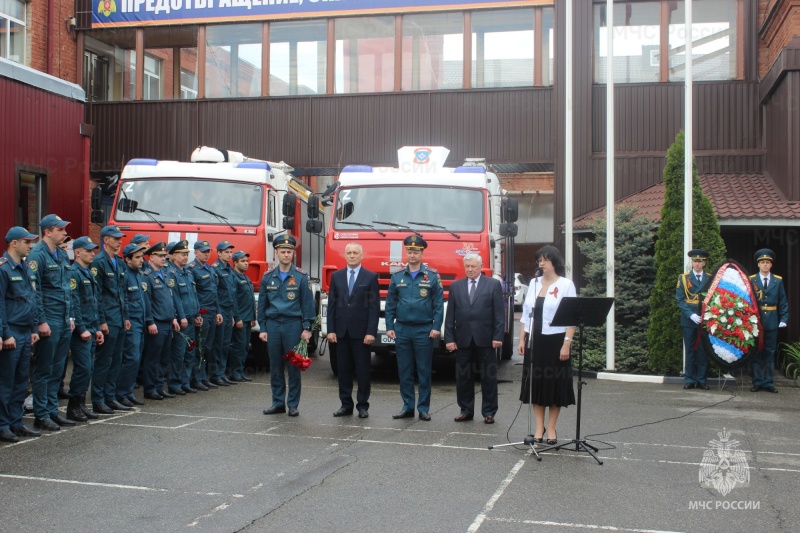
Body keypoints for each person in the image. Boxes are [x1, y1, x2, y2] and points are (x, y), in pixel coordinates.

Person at [516, 245, 576, 445]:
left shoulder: (566, 285)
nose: (541, 264)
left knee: (554, 385)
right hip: (535, 341)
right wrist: (522, 338)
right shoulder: (533, 283)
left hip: (555, 340)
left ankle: (551, 428)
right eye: (539, 260)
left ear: (554, 262)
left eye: (545, 260)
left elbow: (571, 317)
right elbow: (526, 314)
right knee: (536, 385)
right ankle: (538, 428)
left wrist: (566, 343)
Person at [385, 235, 444, 421]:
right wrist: (389, 326)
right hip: (402, 329)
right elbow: (390, 304)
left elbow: (438, 305)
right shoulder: (397, 277)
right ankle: (407, 406)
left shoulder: (432, 276)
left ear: (422, 253)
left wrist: (436, 327)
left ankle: (423, 408)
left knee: (424, 370)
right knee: (404, 370)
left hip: (423, 330)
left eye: (415, 251)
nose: (412, 255)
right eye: (409, 251)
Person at [258, 234, 316, 417]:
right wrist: (263, 328)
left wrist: (307, 328)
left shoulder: (300, 276)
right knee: (275, 367)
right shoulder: (268, 277)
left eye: (289, 251)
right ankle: (277, 403)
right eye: (283, 251)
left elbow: (308, 304)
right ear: (276, 253)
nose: (286, 255)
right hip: (274, 325)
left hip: (293, 326)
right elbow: (262, 305)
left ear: (293, 253)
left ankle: (292, 404)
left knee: (294, 367)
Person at [444, 253, 504, 424]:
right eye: (467, 266)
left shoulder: (493, 285)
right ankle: (466, 410)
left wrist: (498, 336)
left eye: (473, 266)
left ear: (480, 266)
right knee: (463, 377)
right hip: (463, 338)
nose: (470, 269)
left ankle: (489, 412)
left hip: (486, 338)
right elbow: (450, 315)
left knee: (488, 377)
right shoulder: (456, 286)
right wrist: (449, 338)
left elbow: (499, 314)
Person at [28, 214, 75, 431]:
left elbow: (67, 288)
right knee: (44, 368)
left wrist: (71, 316)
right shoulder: (38, 255)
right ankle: (42, 414)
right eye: (60, 229)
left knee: (58, 368)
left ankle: (52, 410)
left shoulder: (62, 255)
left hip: (64, 317)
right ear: (48, 231)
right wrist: (41, 321)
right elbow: (34, 292)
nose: (65, 233)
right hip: (50, 319)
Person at [326, 242, 380, 419]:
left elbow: (374, 307)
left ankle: (363, 406)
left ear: (361, 255)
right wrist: (331, 329)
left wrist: (371, 331)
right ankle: (345, 404)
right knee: (343, 370)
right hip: (341, 332)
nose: (352, 256)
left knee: (363, 370)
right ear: (345, 255)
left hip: (362, 333)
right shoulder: (337, 276)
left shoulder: (370, 277)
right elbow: (332, 305)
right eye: (349, 253)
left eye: (355, 253)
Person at [0, 227, 41, 442]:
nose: (30, 245)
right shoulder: (3, 269)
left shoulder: (25, 268)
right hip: (12, 332)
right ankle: (3, 424)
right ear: (14, 243)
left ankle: (16, 422)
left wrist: (34, 328)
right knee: (6, 382)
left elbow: (30, 300)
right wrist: (5, 333)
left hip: (25, 332)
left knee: (21, 382)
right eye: (27, 241)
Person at [91, 225, 131, 414]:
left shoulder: (119, 262)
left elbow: (123, 291)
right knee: (104, 361)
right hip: (108, 318)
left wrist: (126, 317)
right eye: (116, 238)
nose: (120, 241)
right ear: (106, 240)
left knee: (116, 360)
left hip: (119, 317)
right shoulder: (99, 262)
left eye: (120, 238)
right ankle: (98, 399)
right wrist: (101, 320)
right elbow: (96, 294)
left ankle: (110, 396)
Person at [66, 237, 104, 422]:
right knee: (82, 368)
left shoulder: (88, 273)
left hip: (91, 326)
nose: (93, 253)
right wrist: (81, 329)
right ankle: (73, 407)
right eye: (89, 250)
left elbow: (93, 304)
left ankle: (81, 404)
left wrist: (96, 327)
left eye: (93, 250)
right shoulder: (74, 273)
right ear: (78, 252)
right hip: (82, 330)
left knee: (88, 369)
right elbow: (74, 304)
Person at [141, 242, 183, 400]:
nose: (163, 258)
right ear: (151, 257)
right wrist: (150, 321)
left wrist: (173, 318)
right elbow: (147, 302)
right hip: (156, 323)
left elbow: (169, 299)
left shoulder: (165, 275)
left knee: (164, 357)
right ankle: (150, 388)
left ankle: (159, 386)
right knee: (153, 357)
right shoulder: (147, 276)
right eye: (160, 256)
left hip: (167, 322)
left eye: (165, 256)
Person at [750, 248, 789, 393]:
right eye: (762, 262)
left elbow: (783, 301)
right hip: (756, 321)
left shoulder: (777, 280)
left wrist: (784, 318)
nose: (765, 265)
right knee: (756, 352)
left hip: (772, 320)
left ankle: (768, 382)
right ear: (758, 265)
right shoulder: (751, 279)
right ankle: (757, 381)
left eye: (767, 262)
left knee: (769, 352)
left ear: (771, 265)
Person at [167, 240, 203, 395]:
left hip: (191, 319)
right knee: (179, 353)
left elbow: (193, 297)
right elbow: (175, 298)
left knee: (190, 353)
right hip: (183, 321)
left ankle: (185, 381)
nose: (185, 257)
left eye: (186, 254)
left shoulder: (188, 273)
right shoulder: (171, 275)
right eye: (182, 254)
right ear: (174, 256)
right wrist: (182, 317)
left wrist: (197, 314)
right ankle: (174, 384)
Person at [115, 243, 148, 407]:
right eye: (137, 257)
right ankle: (121, 393)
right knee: (131, 358)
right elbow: (124, 299)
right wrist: (127, 318)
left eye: (142, 257)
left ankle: (127, 392)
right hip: (131, 322)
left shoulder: (138, 274)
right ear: (127, 259)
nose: (141, 260)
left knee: (137, 358)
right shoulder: (125, 275)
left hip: (140, 320)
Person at [188, 240, 223, 391]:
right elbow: (193, 294)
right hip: (202, 312)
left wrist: (219, 311)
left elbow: (215, 293)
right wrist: (197, 314)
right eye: (203, 251)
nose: (207, 254)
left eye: (208, 251)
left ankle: (203, 376)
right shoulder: (192, 269)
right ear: (195, 252)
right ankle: (196, 378)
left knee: (208, 346)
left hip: (212, 311)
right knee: (200, 347)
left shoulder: (210, 269)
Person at [676, 249, 710, 390]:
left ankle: (702, 380)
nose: (697, 264)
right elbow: (680, 299)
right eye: (695, 261)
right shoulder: (684, 278)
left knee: (703, 350)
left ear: (704, 262)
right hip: (689, 319)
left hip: (705, 318)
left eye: (700, 261)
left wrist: (707, 315)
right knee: (690, 350)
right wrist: (691, 314)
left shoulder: (710, 278)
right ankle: (689, 379)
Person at [210, 240, 237, 386]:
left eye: (230, 252)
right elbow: (215, 294)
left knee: (226, 344)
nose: (229, 254)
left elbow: (231, 293)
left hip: (229, 311)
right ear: (219, 253)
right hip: (220, 311)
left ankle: (221, 373)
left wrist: (232, 314)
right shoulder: (215, 269)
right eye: (226, 252)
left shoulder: (229, 269)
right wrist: (218, 312)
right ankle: (215, 374)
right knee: (218, 344)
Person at [230, 250, 255, 382]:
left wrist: (253, 317)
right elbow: (233, 300)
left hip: (247, 318)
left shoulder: (245, 277)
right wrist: (237, 318)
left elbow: (250, 299)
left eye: (247, 261)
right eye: (243, 261)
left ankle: (240, 371)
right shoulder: (233, 277)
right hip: (240, 318)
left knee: (245, 347)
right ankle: (235, 372)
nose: (246, 264)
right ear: (235, 263)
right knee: (238, 346)